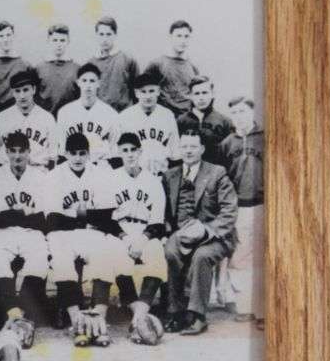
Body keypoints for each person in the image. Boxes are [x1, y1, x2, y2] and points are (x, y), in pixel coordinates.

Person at [162, 129, 238, 335]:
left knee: (201, 256)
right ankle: (176, 312)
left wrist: (205, 230)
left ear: (202, 149)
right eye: (184, 146)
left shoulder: (217, 173)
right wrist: (167, 231)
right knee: (170, 251)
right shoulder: (170, 175)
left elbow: (229, 212)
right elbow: (166, 211)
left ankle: (197, 316)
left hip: (214, 235)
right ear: (179, 148)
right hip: (182, 233)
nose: (188, 151)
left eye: (193, 147)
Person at [45, 133, 117, 347]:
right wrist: (86, 215)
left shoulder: (99, 173)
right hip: (62, 234)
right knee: (62, 260)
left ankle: (99, 319)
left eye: (82, 153)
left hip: (90, 232)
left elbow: (107, 216)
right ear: (65, 153)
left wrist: (76, 215)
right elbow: (52, 219)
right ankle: (77, 321)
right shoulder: (55, 175)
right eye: (73, 153)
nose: (77, 158)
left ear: (88, 154)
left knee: (104, 255)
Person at [0, 132, 49, 348]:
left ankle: (16, 315)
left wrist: (14, 213)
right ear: (6, 153)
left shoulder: (40, 177)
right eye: (12, 151)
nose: (17, 156)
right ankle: (16, 314)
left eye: (21, 150)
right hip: (4, 233)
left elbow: (43, 219)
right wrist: (25, 214)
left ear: (29, 152)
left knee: (39, 258)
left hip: (32, 233)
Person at [108, 133, 167, 345]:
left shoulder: (153, 180)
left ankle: (137, 317)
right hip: (119, 230)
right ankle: (140, 317)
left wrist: (142, 239)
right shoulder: (111, 178)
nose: (130, 154)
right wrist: (124, 238)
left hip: (145, 230)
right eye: (125, 150)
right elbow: (104, 217)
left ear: (140, 152)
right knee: (117, 256)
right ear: (119, 152)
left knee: (156, 254)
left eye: (133, 150)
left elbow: (158, 221)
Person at [217, 97, 264, 327]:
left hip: (264, 204)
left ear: (252, 112)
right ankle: (245, 307)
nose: (239, 116)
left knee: (266, 255)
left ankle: (265, 310)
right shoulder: (227, 144)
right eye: (234, 112)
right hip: (240, 206)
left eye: (243, 111)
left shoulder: (265, 138)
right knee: (240, 257)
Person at [56, 63, 120, 163]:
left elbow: (114, 148)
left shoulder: (110, 113)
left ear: (99, 83)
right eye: (84, 81)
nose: (88, 85)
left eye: (92, 81)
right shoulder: (65, 112)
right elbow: (62, 149)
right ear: (78, 82)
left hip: (100, 165)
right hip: (73, 165)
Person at [118, 72, 180, 175]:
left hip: (161, 173)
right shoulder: (125, 117)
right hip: (134, 174)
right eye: (143, 92)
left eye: (151, 91)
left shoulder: (167, 115)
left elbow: (175, 151)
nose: (148, 96)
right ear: (137, 93)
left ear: (158, 91)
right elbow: (118, 152)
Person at [0, 71, 56, 170]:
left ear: (34, 90)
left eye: (26, 90)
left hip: (38, 171)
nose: (22, 96)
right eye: (17, 91)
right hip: (8, 172)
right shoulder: (2, 118)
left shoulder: (47, 118)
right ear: (13, 93)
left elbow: (53, 156)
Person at [143, 20, 199, 117]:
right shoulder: (157, 64)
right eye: (179, 36)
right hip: (164, 118)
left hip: (187, 119)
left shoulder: (193, 67)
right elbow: (144, 92)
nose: (183, 40)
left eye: (186, 36)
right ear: (170, 37)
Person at [176, 76, 233, 165]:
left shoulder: (224, 121)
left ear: (212, 94)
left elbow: (229, 154)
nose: (201, 97)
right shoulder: (181, 121)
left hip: (215, 174)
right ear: (190, 96)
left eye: (205, 93)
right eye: (197, 93)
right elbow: (176, 152)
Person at [87, 16, 139, 112]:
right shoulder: (91, 62)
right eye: (101, 34)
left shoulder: (127, 58)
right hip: (100, 114)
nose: (105, 39)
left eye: (108, 34)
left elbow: (136, 89)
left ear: (115, 35)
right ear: (96, 35)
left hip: (123, 113)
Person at [34, 24, 79, 115]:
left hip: (70, 120)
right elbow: (34, 98)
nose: (59, 44)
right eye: (55, 40)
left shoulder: (77, 69)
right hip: (45, 121)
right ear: (48, 41)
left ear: (68, 41)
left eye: (62, 40)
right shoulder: (38, 69)